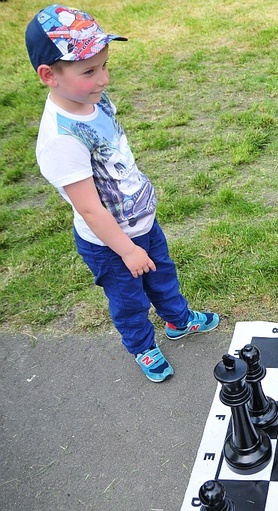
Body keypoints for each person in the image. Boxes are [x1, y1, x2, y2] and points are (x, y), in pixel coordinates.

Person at [25, 5, 219, 382]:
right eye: (89, 71)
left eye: (104, 65)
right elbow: (91, 210)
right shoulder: (61, 141)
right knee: (129, 300)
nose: (103, 79)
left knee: (162, 275)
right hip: (110, 243)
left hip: (142, 222)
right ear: (49, 75)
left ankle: (178, 321)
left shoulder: (93, 102)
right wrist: (126, 250)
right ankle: (143, 347)